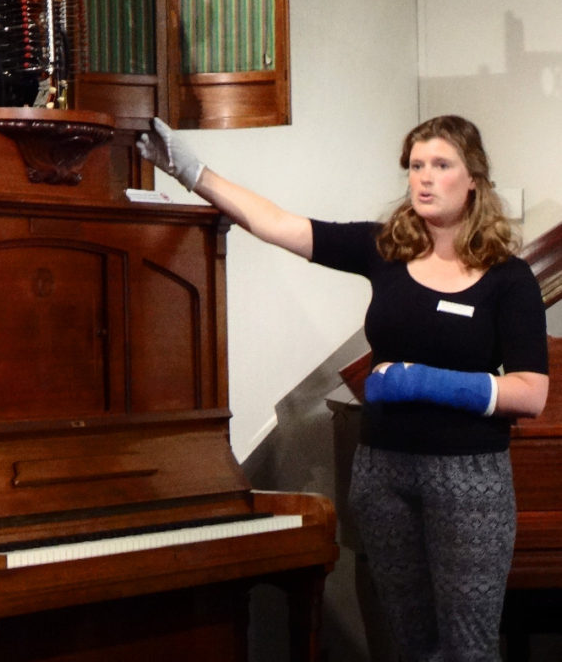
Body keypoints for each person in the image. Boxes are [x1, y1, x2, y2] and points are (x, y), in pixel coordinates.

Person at [137, 115, 549, 662]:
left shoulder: (508, 277)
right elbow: (278, 223)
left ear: (473, 177)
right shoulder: (384, 249)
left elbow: (531, 393)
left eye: (441, 166)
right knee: (412, 643)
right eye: (415, 166)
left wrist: (420, 382)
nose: (424, 178)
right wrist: (192, 171)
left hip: (469, 479)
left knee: (468, 649)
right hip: (383, 473)